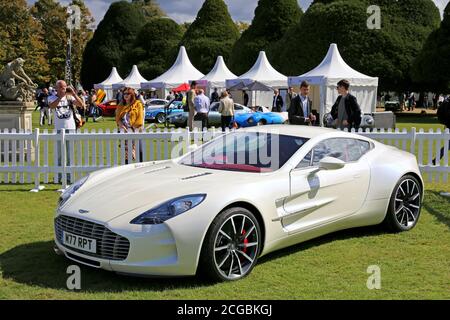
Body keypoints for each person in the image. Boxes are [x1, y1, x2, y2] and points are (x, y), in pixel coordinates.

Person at [48, 80, 86, 183]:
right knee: (59, 155)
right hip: (59, 128)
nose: (63, 89)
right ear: (56, 88)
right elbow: (51, 106)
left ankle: (69, 177)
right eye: (60, 87)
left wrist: (73, 93)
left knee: (70, 154)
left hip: (70, 127)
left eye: (64, 87)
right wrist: (60, 97)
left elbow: (81, 104)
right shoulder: (52, 97)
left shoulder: (70, 97)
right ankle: (59, 177)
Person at [115, 87, 144, 164]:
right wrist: (122, 126)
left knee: (139, 153)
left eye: (128, 93)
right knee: (127, 156)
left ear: (132, 94)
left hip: (136, 131)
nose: (126, 95)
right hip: (124, 133)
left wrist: (133, 129)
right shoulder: (120, 105)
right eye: (124, 94)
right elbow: (118, 119)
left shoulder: (138, 104)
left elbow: (140, 118)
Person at [433, 97, 450, 165]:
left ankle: (436, 160)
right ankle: (436, 160)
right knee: (448, 145)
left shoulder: (447, 100)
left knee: (448, 145)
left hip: (447, 124)